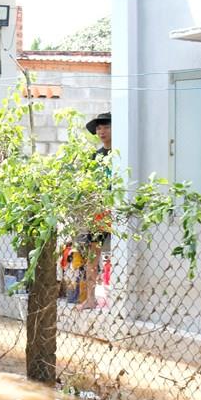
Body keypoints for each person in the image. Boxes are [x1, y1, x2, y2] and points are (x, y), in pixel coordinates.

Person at [78, 111, 113, 310]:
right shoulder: (96, 156)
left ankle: (117, 300)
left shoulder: (121, 153)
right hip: (100, 211)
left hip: (119, 210)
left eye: (106, 127)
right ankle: (90, 298)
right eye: (99, 128)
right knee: (93, 254)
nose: (101, 131)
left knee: (122, 254)